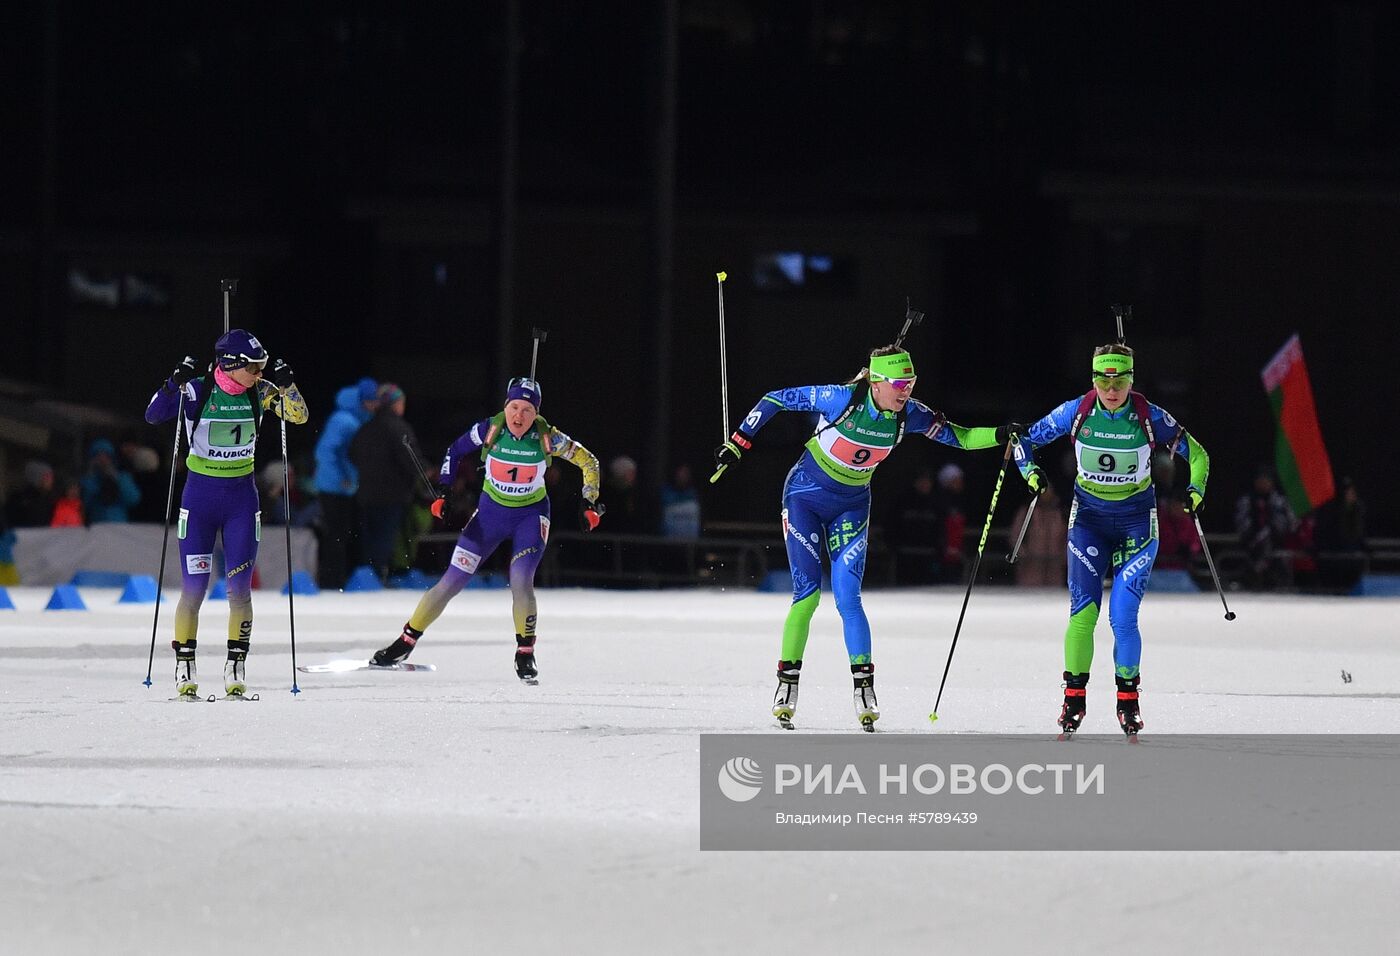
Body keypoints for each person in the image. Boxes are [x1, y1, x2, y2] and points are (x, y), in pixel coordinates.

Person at [713, 344, 1003, 731]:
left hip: (852, 506)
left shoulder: (909, 416)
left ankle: (864, 690)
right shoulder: (841, 399)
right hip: (804, 499)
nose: (907, 391)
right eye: (899, 383)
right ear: (876, 381)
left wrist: (1002, 433)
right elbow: (775, 399)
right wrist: (739, 441)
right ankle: (787, 685)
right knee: (808, 595)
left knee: (849, 597)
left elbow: (962, 438)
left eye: (911, 382)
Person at [1008, 343, 1209, 738]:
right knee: (1083, 615)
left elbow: (1199, 455)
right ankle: (1074, 699)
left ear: (1131, 379)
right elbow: (1024, 442)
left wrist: (1195, 490)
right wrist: (1031, 473)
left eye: (1119, 379)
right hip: (1089, 523)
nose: (1111, 387)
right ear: (1093, 378)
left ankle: (1128, 701)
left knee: (1123, 617)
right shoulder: (1076, 411)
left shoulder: (1149, 415)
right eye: (1103, 378)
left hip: (1137, 527)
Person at [370, 376, 603, 683]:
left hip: (530, 518)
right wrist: (445, 492)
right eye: (514, 407)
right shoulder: (489, 430)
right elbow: (454, 451)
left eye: (528, 411)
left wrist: (589, 501)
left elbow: (590, 462)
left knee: (521, 580)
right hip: (490, 515)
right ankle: (406, 641)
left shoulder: (549, 439)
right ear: (506, 406)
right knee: (451, 581)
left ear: (537, 414)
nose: (519, 416)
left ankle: (525, 652)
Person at [144, 330, 308, 699]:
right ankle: (185, 666)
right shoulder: (197, 392)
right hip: (199, 501)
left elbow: (298, 415)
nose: (259, 372)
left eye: (263, 366)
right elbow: (154, 414)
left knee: (239, 590)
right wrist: (173, 383)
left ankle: (236, 666)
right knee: (195, 589)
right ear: (231, 365)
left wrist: (288, 386)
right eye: (254, 366)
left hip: (241, 503)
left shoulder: (260, 391)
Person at [349, 383, 424, 582]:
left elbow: (353, 454)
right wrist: (426, 474)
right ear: (395, 404)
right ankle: (381, 575)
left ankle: (367, 578)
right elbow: (412, 460)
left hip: (366, 492)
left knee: (369, 537)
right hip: (393, 493)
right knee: (386, 536)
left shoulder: (365, 428)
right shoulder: (399, 428)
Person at [313, 377, 377, 588]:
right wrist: (343, 479)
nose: (374, 405)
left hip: (342, 487)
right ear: (362, 400)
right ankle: (332, 582)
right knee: (336, 536)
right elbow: (325, 451)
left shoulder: (353, 419)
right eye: (371, 400)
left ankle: (337, 579)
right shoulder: (344, 421)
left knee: (341, 535)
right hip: (335, 488)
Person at [1233, 467, 1297, 591]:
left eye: (1266, 480)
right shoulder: (1247, 501)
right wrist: (1253, 535)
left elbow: (1292, 523)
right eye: (1260, 480)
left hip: (1277, 545)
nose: (1263, 483)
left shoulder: (1281, 501)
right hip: (1251, 546)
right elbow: (1241, 522)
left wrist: (1274, 530)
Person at [1009, 482, 1067, 586]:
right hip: (1030, 566)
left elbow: (1068, 537)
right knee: (1029, 597)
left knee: (1053, 599)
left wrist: (1065, 557)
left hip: (1055, 567)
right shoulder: (1027, 512)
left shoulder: (1061, 513)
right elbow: (1016, 535)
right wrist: (1022, 555)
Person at [79, 437, 141, 523]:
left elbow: (133, 500)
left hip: (119, 526)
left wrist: (116, 478)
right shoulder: (87, 480)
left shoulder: (123, 477)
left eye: (106, 456)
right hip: (97, 527)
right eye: (98, 456)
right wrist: (91, 477)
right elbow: (84, 504)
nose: (103, 460)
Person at [7, 461, 57, 528]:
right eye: (47, 477)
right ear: (37, 479)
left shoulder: (50, 499)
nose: (51, 481)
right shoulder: (20, 499)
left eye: (51, 477)